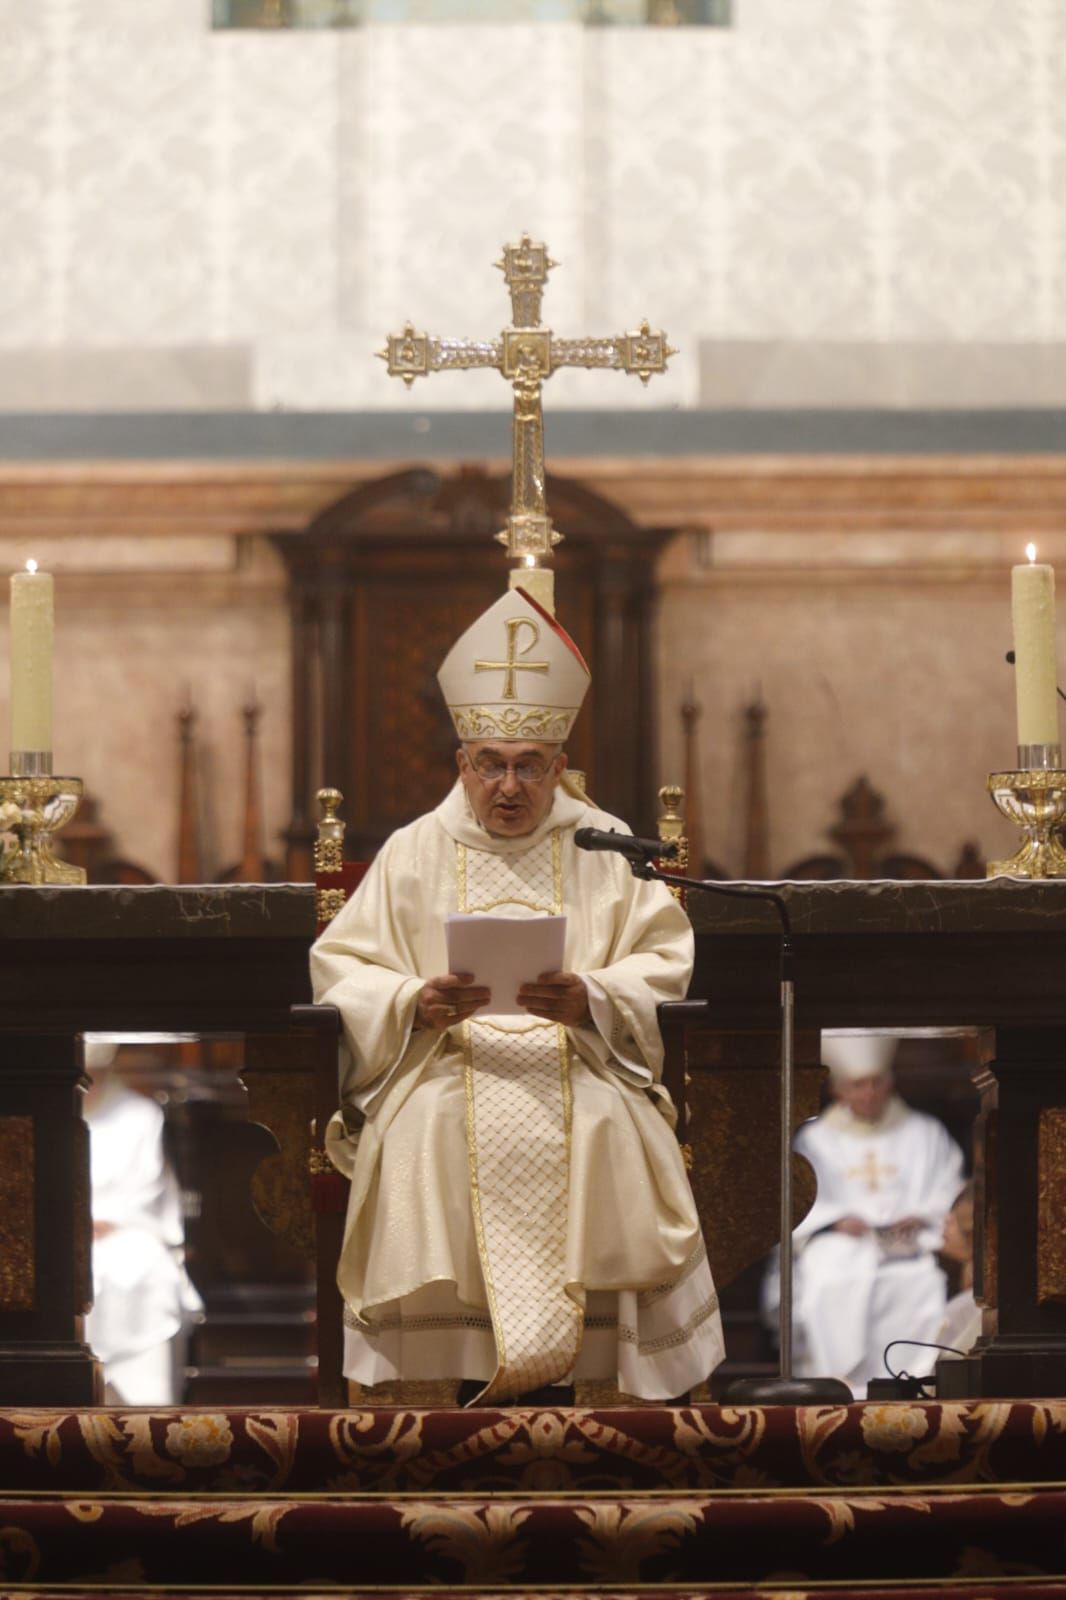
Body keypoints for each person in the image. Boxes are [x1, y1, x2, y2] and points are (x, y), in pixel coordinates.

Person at [311, 586, 724, 1404]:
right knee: (428, 1124)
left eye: (528, 766)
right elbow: (343, 965)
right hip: (442, 1061)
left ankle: (604, 1391)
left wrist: (595, 999)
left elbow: (662, 957)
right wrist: (410, 1004)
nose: (509, 786)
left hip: (581, 1062)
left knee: (608, 1122)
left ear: (557, 768)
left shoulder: (604, 846)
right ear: (462, 764)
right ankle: (431, 1387)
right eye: (490, 764)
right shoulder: (411, 850)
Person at [790, 1032, 964, 1397]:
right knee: (827, 1277)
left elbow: (948, 1189)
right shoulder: (816, 1139)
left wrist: (921, 1215)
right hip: (843, 1243)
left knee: (918, 1283)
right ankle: (840, 1383)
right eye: (857, 1085)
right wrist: (835, 1219)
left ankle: (911, 1381)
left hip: (907, 1244)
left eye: (875, 1083)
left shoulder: (925, 1132)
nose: (868, 1093)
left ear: (890, 1083)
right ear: (839, 1090)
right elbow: (803, 1200)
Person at [83, 1040, 203, 1405]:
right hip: (63, 1231)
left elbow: (146, 1184)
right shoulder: (51, 1112)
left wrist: (107, 1220)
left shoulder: (140, 1114)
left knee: (141, 1271)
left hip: (126, 1229)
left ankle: (147, 1404)